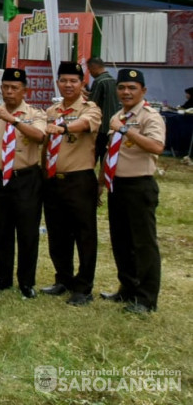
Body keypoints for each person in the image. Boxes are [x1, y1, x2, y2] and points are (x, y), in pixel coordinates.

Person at [101, 69, 166, 314]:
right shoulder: (119, 115)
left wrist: (126, 130)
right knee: (121, 241)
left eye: (132, 88)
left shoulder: (150, 117)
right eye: (122, 88)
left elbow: (157, 147)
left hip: (139, 185)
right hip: (117, 185)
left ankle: (146, 298)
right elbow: (111, 151)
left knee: (144, 244)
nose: (126, 92)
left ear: (143, 91)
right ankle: (127, 289)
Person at [0, 67, 46, 297]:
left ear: (24, 90)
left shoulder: (35, 114)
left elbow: (40, 136)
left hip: (25, 177)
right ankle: (4, 277)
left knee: (27, 231)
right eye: (5, 87)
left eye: (14, 88)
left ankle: (26, 282)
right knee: (3, 231)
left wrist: (14, 121)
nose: (9, 92)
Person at [40, 61, 102, 306]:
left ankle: (83, 287)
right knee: (57, 233)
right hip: (53, 179)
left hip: (79, 179)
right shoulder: (52, 111)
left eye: (73, 81)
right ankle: (63, 279)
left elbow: (84, 125)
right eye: (64, 81)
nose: (68, 85)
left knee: (84, 234)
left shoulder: (91, 109)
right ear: (58, 83)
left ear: (82, 83)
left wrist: (63, 127)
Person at [87, 57, 120, 162]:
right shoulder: (114, 81)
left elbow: (92, 104)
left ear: (94, 67)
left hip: (100, 127)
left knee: (93, 157)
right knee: (106, 159)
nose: (90, 73)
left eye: (89, 69)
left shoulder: (99, 81)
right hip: (113, 126)